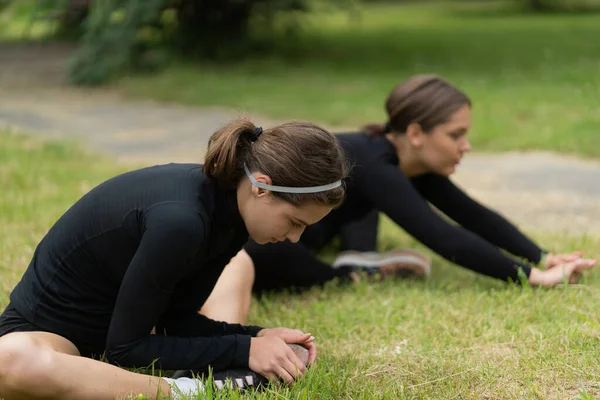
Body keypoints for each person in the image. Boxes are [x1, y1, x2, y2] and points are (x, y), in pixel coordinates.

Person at [199, 74, 597, 325]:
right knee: (302, 266)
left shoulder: (398, 158)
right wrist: (532, 277)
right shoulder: (376, 165)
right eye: (456, 135)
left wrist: (540, 256)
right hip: (265, 249)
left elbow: (471, 214)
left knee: (358, 208)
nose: (467, 146)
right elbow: (443, 236)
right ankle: (355, 270)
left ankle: (360, 255)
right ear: (417, 133)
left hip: (313, 234)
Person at [0, 119, 349, 400]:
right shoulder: (181, 221)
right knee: (9, 360)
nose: (294, 238)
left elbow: (176, 321)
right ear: (261, 186)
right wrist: (244, 350)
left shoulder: (231, 212)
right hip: (57, 338)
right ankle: (190, 389)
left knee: (240, 265)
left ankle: (214, 372)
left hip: (123, 324)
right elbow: (125, 348)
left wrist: (257, 337)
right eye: (294, 222)